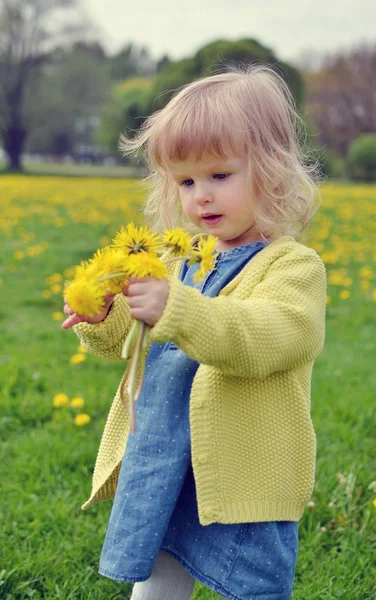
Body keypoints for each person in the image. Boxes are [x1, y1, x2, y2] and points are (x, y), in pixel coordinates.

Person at [62, 64, 327, 600]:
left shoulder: (292, 268)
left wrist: (176, 309)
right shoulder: (176, 260)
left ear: (271, 171)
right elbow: (127, 346)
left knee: (248, 583)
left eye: (219, 176)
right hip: (162, 455)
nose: (200, 196)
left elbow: (263, 337)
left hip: (241, 471)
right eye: (185, 181)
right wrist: (104, 318)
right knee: (156, 581)